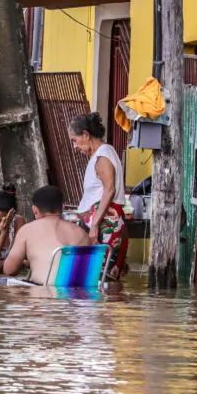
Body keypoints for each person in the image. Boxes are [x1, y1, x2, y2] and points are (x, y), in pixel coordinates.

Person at [68, 112, 129, 280]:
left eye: (75, 140)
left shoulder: (103, 155)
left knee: (98, 279)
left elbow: (109, 190)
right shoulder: (100, 155)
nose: (75, 146)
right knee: (95, 279)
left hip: (103, 226)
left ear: (86, 135)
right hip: (101, 224)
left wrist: (94, 225)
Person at [2, 186, 89, 285]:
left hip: (43, 294)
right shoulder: (82, 233)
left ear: (35, 209)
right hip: (78, 294)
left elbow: (9, 270)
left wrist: (28, 263)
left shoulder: (27, 230)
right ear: (63, 208)